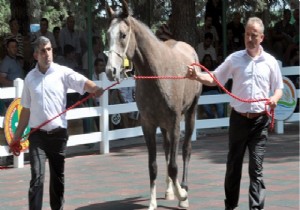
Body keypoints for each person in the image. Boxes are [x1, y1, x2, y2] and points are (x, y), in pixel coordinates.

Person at [187, 17, 283, 210]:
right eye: (247, 34)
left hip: (260, 122)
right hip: (239, 119)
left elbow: (279, 88)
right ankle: (230, 206)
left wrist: (275, 99)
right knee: (233, 167)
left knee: (256, 169)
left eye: (253, 35)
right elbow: (215, 78)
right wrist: (197, 76)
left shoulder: (271, 62)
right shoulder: (234, 59)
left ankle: (255, 208)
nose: (249, 38)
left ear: (261, 37)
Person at [11, 36, 103, 210]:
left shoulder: (62, 72)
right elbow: (25, 110)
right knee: (37, 178)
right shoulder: (30, 78)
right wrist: (16, 137)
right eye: (43, 51)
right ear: (36, 54)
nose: (47, 54)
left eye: (49, 49)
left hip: (58, 135)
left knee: (57, 179)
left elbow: (82, 82)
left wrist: (95, 89)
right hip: (37, 137)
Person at [200, 54, 224, 119]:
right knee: (205, 105)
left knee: (220, 106)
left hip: (215, 91)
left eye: (210, 60)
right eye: (206, 60)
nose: (208, 62)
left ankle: (221, 122)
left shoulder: (215, 70)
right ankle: (211, 118)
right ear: (204, 62)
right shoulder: (200, 71)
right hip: (205, 92)